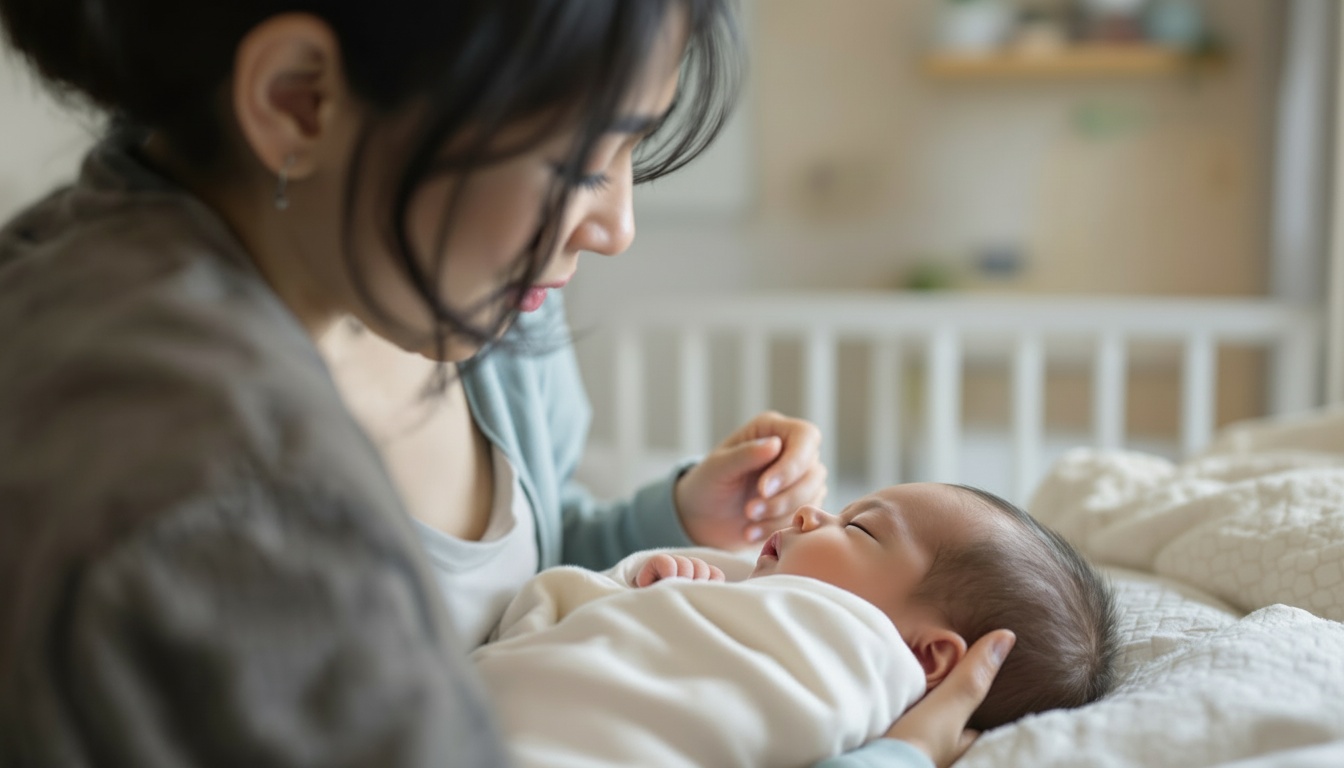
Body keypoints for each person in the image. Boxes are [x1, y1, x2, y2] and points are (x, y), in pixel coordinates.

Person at [0, 1, 1010, 766]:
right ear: (298, 100)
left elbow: (518, 576)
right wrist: (898, 757)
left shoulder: (468, 304)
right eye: (583, 156)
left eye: (635, 152)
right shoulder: (218, 490)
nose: (616, 226)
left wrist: (668, 518)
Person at [469, 482, 1119, 767]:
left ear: (928, 660)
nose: (813, 513)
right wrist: (654, 592)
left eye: (861, 527)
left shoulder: (849, 655)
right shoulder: (753, 604)